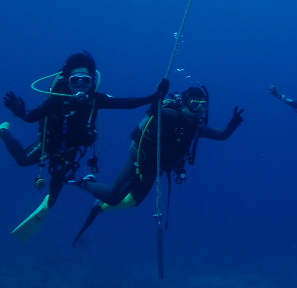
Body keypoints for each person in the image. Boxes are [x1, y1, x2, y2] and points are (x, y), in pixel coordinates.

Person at [0, 51, 168, 241]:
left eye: (85, 81)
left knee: (57, 180)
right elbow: (32, 116)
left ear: (91, 82)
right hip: (49, 144)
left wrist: (154, 97)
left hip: (71, 151)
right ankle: (3, 131)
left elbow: (124, 103)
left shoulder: (94, 99)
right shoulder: (57, 99)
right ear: (67, 81)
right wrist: (21, 112)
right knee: (22, 160)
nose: (80, 86)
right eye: (75, 81)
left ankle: (50, 202)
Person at [71, 82, 243, 245]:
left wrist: (233, 124)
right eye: (194, 105)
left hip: (154, 169)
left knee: (134, 202)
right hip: (140, 162)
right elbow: (155, 112)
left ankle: (100, 206)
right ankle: (86, 182)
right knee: (112, 197)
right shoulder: (171, 116)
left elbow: (221, 135)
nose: (199, 111)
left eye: (202, 106)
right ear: (184, 105)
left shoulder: (195, 127)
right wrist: (159, 94)